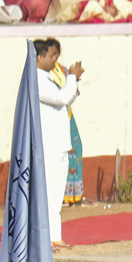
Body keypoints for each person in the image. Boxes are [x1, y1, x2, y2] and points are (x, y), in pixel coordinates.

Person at [34, 37, 81, 245]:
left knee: (55, 194)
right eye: (52, 56)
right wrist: (72, 77)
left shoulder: (47, 77)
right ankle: (45, 239)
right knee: (48, 194)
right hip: (49, 144)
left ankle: (54, 237)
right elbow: (61, 98)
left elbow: (65, 98)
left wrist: (74, 81)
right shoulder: (35, 78)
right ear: (39, 57)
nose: (55, 60)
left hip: (58, 143)